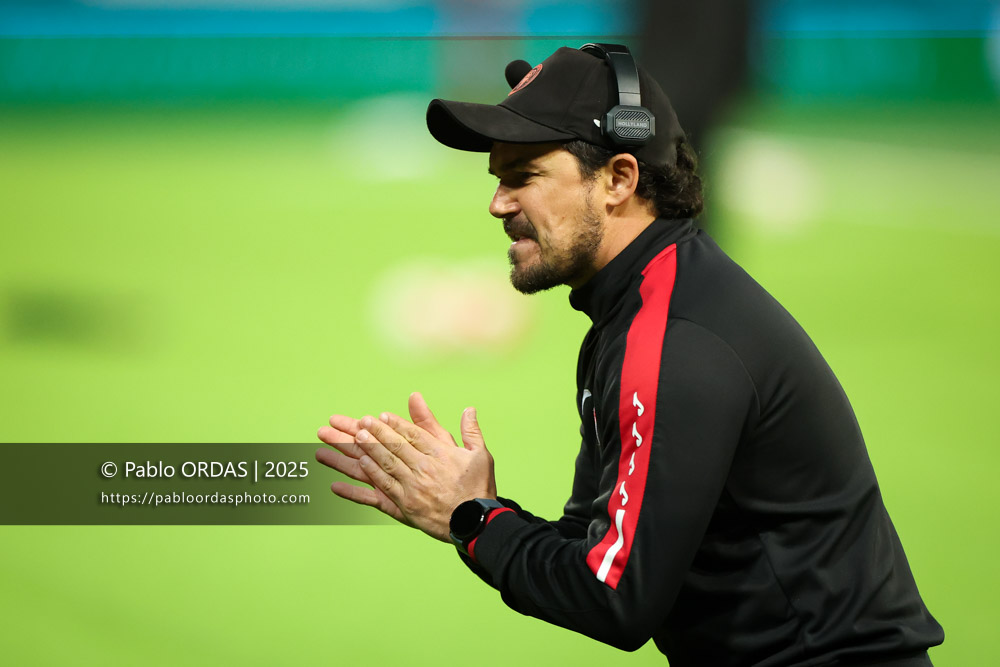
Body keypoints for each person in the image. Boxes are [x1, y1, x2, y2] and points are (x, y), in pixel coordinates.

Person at [315, 44, 944, 666]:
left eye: (523, 177)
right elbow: (588, 548)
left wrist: (472, 518)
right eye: (498, 179)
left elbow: (614, 598)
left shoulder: (673, 340)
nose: (498, 203)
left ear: (618, 179)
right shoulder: (638, 310)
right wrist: (477, 510)